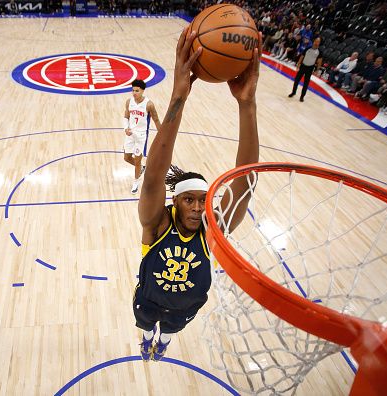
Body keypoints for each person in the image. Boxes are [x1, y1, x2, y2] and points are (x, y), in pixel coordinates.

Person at [134, 28, 261, 362]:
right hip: (148, 298)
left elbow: (244, 184)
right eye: (188, 199)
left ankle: (162, 342)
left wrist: (246, 105)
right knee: (145, 327)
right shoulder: (157, 223)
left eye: (202, 200)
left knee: (171, 333)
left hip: (187, 304)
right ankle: (148, 338)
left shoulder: (211, 228)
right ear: (174, 201)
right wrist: (178, 98)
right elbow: (153, 178)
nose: (196, 207)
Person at [123, 79, 161, 194]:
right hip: (130, 134)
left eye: (137, 91)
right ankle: (142, 169)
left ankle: (135, 183)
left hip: (141, 136)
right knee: (127, 158)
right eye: (133, 90)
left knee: (138, 161)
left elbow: (156, 119)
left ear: (143, 91)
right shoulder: (129, 101)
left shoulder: (149, 104)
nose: (134, 93)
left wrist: (162, 134)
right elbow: (126, 116)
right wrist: (126, 128)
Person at [288, 37, 322, 102]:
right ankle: (293, 92)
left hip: (310, 68)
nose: (316, 43)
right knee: (296, 80)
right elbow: (302, 56)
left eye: (318, 42)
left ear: (319, 43)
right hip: (303, 66)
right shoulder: (307, 48)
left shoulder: (319, 52)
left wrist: (317, 70)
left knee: (306, 83)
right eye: (316, 41)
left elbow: (319, 61)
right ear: (314, 41)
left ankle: (302, 96)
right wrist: (298, 64)